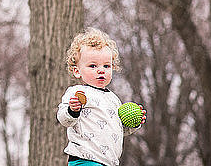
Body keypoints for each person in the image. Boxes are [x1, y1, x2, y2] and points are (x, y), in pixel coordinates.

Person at [57, 27, 146, 166]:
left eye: (106, 66)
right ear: (77, 71)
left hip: (108, 162)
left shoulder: (113, 99)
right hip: (84, 160)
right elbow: (63, 119)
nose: (101, 70)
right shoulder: (77, 92)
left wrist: (134, 123)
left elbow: (118, 130)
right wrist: (72, 110)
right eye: (93, 66)